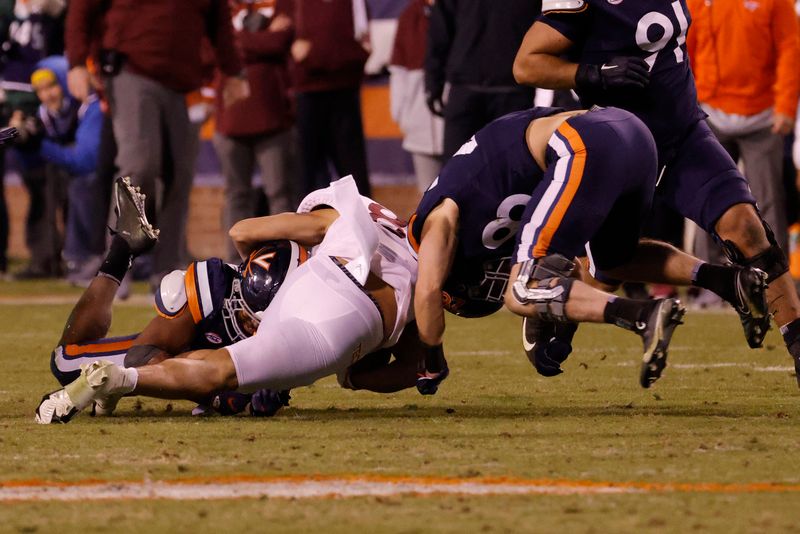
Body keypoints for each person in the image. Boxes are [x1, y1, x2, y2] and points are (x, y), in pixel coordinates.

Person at [512, 0, 800, 384]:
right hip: (623, 145)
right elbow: (526, 64)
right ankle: (556, 311)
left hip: (683, 134)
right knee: (610, 265)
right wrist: (591, 73)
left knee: (747, 228)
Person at [409, 106, 768, 390]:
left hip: (584, 142)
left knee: (521, 290)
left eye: (477, 286)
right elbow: (574, 266)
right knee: (612, 261)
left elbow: (426, 291)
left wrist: (432, 362)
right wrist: (556, 328)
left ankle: (643, 316)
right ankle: (725, 280)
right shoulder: (479, 194)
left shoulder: (437, 218)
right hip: (630, 134)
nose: (492, 281)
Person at [36, 176, 425, 424]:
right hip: (168, 347)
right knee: (65, 359)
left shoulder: (312, 298)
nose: (254, 327)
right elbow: (144, 355)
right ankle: (122, 250)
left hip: (212, 355)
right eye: (250, 319)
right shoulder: (211, 286)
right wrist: (216, 390)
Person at [65, 0, 249, 285]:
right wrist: (77, 61)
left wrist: (234, 71)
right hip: (132, 68)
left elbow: (220, 21)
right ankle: (116, 264)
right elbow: (82, 8)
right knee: (139, 165)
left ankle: (167, 270)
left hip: (186, 80)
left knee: (181, 174)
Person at [686, 0, 800, 298]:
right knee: (707, 200)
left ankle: (777, 285)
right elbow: (687, 48)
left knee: (769, 200)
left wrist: (786, 106)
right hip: (710, 111)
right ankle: (712, 284)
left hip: (763, 116)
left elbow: (790, 47)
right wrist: (688, 103)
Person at [214, 0, 296, 263]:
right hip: (230, 119)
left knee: (280, 193)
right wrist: (262, 38)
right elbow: (214, 48)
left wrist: (236, 42)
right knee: (236, 194)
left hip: (272, 115)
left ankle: (287, 261)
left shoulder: (284, 5)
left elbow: (280, 43)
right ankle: (234, 265)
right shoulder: (224, 9)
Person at [425, 0, 539, 160]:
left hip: (508, 91)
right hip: (488, 89)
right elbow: (440, 30)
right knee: (459, 170)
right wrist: (433, 81)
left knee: (508, 170)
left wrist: (433, 83)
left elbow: (440, 32)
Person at [28, 56, 106, 284]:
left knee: (83, 183)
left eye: (52, 86)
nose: (48, 95)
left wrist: (39, 144)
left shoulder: (91, 105)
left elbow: (84, 161)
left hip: (108, 177)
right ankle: (63, 257)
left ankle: (87, 257)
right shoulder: (47, 114)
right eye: (40, 90)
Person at [285, 0, 372, 198]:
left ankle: (361, 227)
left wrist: (316, 54)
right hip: (305, 94)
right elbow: (279, 37)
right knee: (306, 174)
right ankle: (307, 227)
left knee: (353, 175)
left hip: (345, 92)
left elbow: (365, 44)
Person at [389, 0, 443, 193]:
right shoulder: (410, 14)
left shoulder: (458, 9)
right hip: (419, 123)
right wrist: (401, 114)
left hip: (456, 125)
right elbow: (398, 70)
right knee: (427, 194)